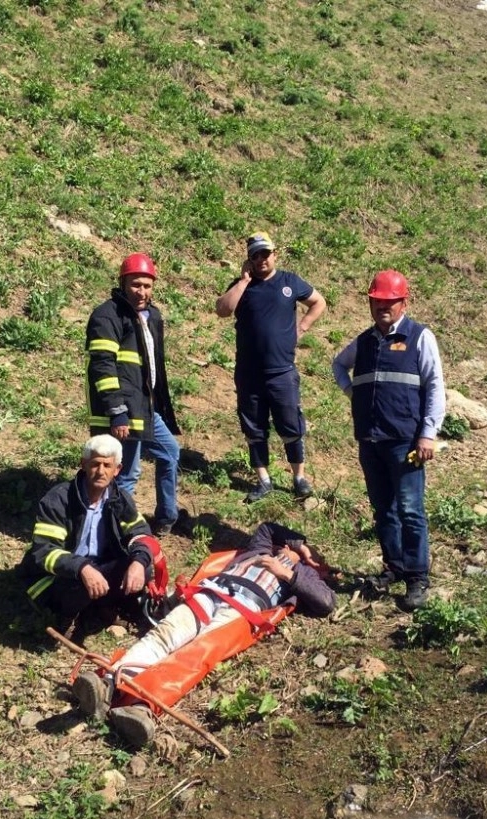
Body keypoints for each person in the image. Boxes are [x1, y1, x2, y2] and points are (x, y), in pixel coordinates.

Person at [72, 521, 336, 748]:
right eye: (293, 546)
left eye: (308, 553)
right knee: (165, 634)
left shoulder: (304, 576)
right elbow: (268, 527)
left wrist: (289, 572)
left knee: (194, 655)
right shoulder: (261, 549)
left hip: (243, 611)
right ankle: (107, 682)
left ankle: (142, 707)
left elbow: (325, 602)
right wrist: (297, 543)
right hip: (213, 593)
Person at [331, 269, 445, 611]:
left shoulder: (419, 337)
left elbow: (435, 386)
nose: (382, 306)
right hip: (371, 440)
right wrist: (353, 393)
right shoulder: (365, 341)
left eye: (389, 301)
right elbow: (338, 365)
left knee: (411, 509)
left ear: (403, 303)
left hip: (405, 441)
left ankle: (416, 578)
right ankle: (393, 567)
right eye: (377, 301)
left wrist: (428, 433)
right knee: (384, 510)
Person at [215, 231, 326, 503]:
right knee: (254, 429)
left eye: (266, 253)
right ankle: (264, 480)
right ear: (249, 259)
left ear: (274, 254)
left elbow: (318, 301)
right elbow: (222, 309)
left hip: (282, 372)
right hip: (249, 374)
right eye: (256, 255)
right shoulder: (243, 285)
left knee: (291, 425)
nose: (261, 259)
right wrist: (242, 281)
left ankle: (299, 478)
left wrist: (303, 327)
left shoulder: (289, 281)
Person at [21, 435, 162, 640]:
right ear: (83, 464)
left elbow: (141, 533)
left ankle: (104, 607)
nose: (101, 471)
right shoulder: (59, 499)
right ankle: (64, 617)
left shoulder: (119, 498)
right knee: (79, 579)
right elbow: (44, 552)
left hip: (98, 569)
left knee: (144, 566)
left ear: (117, 470)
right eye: (95, 464)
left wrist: (139, 563)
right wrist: (82, 567)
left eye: (107, 465)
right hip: (56, 579)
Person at [85, 253, 181, 536]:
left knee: (170, 454)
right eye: (136, 285)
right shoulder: (107, 315)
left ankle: (166, 518)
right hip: (125, 412)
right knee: (126, 473)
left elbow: (152, 366)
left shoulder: (152, 316)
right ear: (122, 283)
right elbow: (102, 366)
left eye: (147, 286)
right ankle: (114, 530)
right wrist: (118, 412)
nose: (142, 292)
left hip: (146, 408)